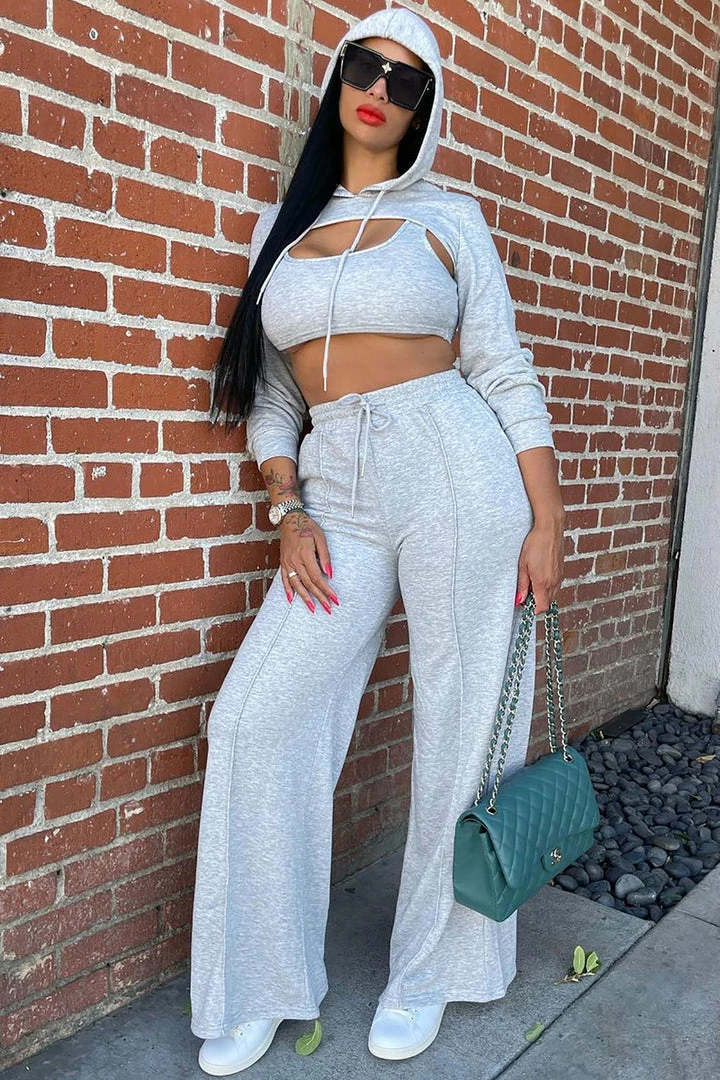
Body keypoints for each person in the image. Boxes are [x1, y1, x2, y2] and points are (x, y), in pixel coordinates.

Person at [190, 3, 565, 1075]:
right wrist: (287, 508)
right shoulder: (283, 232)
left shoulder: (451, 217)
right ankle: (259, 979)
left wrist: (547, 520)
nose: (381, 92)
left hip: (459, 475)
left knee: (464, 729)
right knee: (254, 718)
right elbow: (274, 399)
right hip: (337, 498)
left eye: (408, 82)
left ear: (424, 109)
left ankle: (431, 971)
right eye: (366, 67)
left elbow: (503, 369)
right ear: (338, 78)